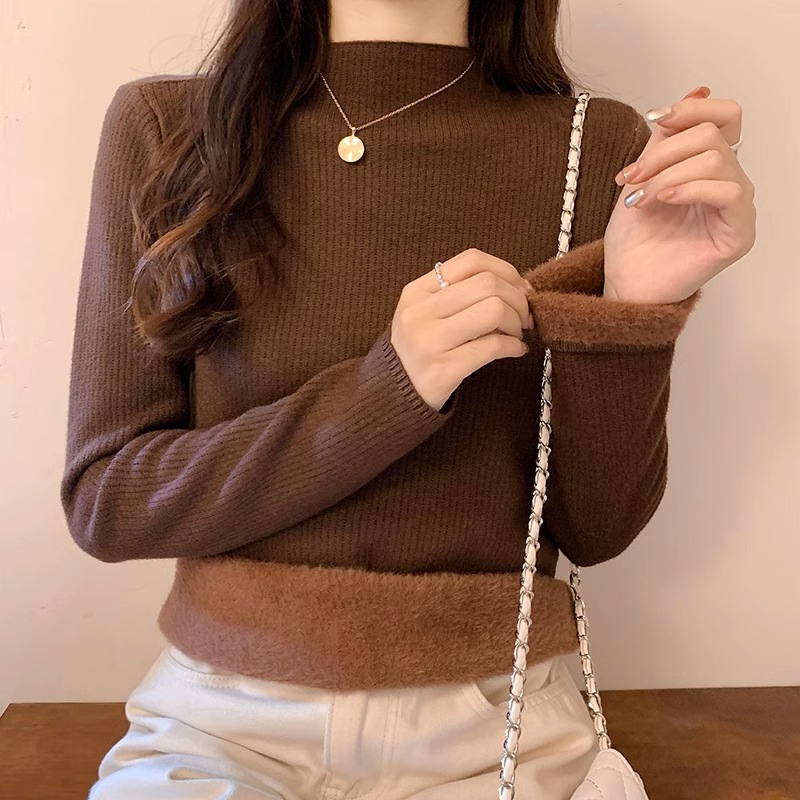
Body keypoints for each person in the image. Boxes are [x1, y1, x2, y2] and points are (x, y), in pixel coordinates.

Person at [60, 0, 755, 797]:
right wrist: (386, 394)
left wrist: (636, 309)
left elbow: (595, 529)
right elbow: (108, 500)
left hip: (500, 727)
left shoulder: (596, 147)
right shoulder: (167, 128)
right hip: (222, 726)